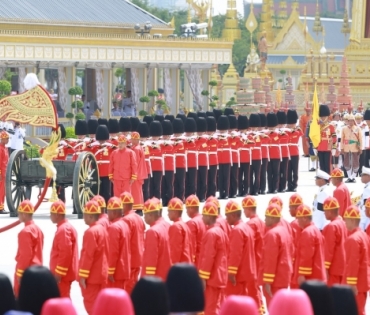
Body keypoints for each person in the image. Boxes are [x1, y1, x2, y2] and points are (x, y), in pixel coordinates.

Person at [79, 200, 109, 315]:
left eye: (85, 214)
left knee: (91, 306)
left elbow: (88, 256)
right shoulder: (102, 229)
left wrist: (83, 275)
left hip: (92, 276)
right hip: (102, 274)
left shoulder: (91, 232)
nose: (83, 217)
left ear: (90, 215)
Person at [198, 202, 228, 315]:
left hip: (212, 277)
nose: (202, 217)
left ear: (209, 216)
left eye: (204, 215)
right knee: (217, 306)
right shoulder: (220, 231)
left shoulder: (211, 233)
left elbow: (208, 257)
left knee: (210, 309)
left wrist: (203, 277)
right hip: (219, 275)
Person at [262, 203, 293, 308]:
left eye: (266, 217)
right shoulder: (284, 230)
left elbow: (270, 259)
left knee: (274, 308)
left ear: (272, 218)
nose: (265, 219)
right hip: (284, 276)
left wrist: (268, 281)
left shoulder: (272, 234)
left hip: (275, 279)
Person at [343, 205, 370, 315]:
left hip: (355, 284)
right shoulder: (363, 235)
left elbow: (353, 263)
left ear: (352, 220)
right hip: (363, 281)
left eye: (346, 220)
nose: (345, 223)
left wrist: (352, 284)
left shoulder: (353, 239)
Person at [225, 200, 256, 297]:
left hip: (239, 273)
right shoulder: (246, 227)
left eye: (227, 215)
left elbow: (235, 253)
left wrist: (231, 272)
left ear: (233, 215)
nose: (226, 219)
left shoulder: (237, 230)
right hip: (247, 270)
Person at [14, 200, 44, 297]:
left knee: (22, 300)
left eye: (19, 213)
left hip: (27, 272)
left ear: (24, 214)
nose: (18, 216)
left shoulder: (25, 232)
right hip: (38, 270)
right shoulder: (38, 229)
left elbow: (25, 255)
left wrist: (20, 273)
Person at [49, 200, 78, 298]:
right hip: (64, 274)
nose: (50, 216)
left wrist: (59, 273)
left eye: (51, 213)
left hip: (62, 275)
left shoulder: (63, 230)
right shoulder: (65, 227)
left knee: (62, 299)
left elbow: (65, 253)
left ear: (57, 215)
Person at [242, 196, 265, 312]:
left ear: (249, 209)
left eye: (244, 209)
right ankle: (260, 308)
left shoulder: (251, 224)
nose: (244, 212)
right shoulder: (261, 222)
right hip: (260, 259)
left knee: (252, 288)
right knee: (255, 287)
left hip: (253, 260)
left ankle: (258, 310)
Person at [294, 204, 326, 286]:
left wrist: (302, 274)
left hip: (311, 278)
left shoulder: (307, 232)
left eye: (298, 219)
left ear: (304, 218)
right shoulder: (315, 229)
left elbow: (306, 255)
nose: (297, 222)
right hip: (318, 275)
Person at [120, 191, 145, 294]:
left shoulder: (126, 220)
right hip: (139, 257)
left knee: (128, 288)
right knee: (134, 285)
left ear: (125, 205)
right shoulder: (138, 218)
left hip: (130, 259)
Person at [142, 199, 172, 280]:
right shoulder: (168, 225)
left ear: (151, 215)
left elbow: (151, 258)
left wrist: (149, 278)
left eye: (145, 215)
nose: (144, 217)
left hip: (156, 277)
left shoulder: (152, 231)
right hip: (167, 273)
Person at [322, 196, 347, 286]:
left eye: (324, 211)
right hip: (343, 266)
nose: (324, 213)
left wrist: (325, 268)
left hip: (334, 269)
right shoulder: (343, 223)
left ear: (330, 211)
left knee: (332, 297)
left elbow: (328, 250)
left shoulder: (331, 226)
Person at [106, 197, 131, 290]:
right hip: (123, 269)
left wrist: (110, 271)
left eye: (108, 211)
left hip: (116, 272)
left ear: (114, 212)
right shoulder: (124, 224)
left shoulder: (114, 227)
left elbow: (113, 251)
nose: (107, 214)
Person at [89, 125, 114, 203]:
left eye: (102, 140)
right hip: (96, 172)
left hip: (107, 172)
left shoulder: (111, 147)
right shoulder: (93, 147)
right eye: (100, 140)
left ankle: (107, 206)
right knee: (97, 191)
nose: (101, 142)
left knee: (107, 192)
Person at [167, 197, 192, 264]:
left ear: (174, 212)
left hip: (180, 266)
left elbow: (175, 250)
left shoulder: (175, 227)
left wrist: (172, 267)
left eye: (169, 211)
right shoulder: (185, 225)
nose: (167, 214)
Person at [316, 104, 337, 174]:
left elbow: (334, 137)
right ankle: (322, 178)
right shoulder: (318, 126)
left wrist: (334, 147)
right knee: (321, 165)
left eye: (324, 116)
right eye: (321, 116)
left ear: (327, 116)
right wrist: (315, 147)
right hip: (320, 147)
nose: (322, 118)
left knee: (327, 165)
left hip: (328, 147)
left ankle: (327, 178)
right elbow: (315, 136)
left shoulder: (331, 126)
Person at [185, 194, 206, 267]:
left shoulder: (192, 223)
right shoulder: (204, 219)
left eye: (186, 209)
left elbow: (192, 245)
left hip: (197, 260)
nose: (186, 212)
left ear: (191, 208)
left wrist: (191, 262)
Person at [341, 114, 362, 182]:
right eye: (349, 121)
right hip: (346, 148)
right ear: (347, 121)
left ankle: (353, 177)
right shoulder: (344, 129)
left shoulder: (357, 128)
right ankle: (350, 177)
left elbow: (360, 139)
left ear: (354, 121)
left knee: (355, 163)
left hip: (355, 148)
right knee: (347, 163)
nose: (351, 122)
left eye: (352, 121)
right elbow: (342, 139)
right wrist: (341, 148)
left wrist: (360, 148)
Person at [130, 131, 147, 215]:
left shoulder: (136, 149)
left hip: (136, 172)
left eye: (132, 139)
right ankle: (139, 208)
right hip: (139, 172)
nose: (131, 140)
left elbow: (134, 162)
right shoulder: (137, 147)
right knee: (138, 191)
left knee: (136, 191)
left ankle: (139, 209)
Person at [287, 110, 303, 192]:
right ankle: (289, 185)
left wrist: (300, 153)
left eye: (292, 123)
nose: (291, 125)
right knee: (288, 170)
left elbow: (300, 142)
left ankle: (295, 185)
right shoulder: (285, 131)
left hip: (295, 152)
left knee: (295, 171)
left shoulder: (298, 131)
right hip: (287, 152)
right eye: (290, 123)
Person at [216, 115, 232, 199]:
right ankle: (221, 193)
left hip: (226, 158)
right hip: (219, 158)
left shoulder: (229, 137)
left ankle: (226, 193)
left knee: (226, 177)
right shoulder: (217, 137)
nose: (222, 131)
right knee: (220, 177)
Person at [266, 112, 281, 194]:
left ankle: (275, 188)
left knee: (276, 172)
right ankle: (270, 188)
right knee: (269, 173)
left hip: (276, 154)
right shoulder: (265, 134)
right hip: (268, 155)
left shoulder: (278, 133)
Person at [0, 131, 9, 214]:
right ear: (2, 139)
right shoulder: (0, 148)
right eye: (6, 138)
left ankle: (2, 207)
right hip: (1, 173)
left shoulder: (5, 148)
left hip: (5, 172)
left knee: (3, 191)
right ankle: (0, 208)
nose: (8, 140)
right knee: (1, 191)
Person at [359, 166, 370, 230]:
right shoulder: (367, 186)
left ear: (368, 176)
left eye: (363, 175)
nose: (361, 177)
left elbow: (366, 204)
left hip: (365, 217)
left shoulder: (368, 188)